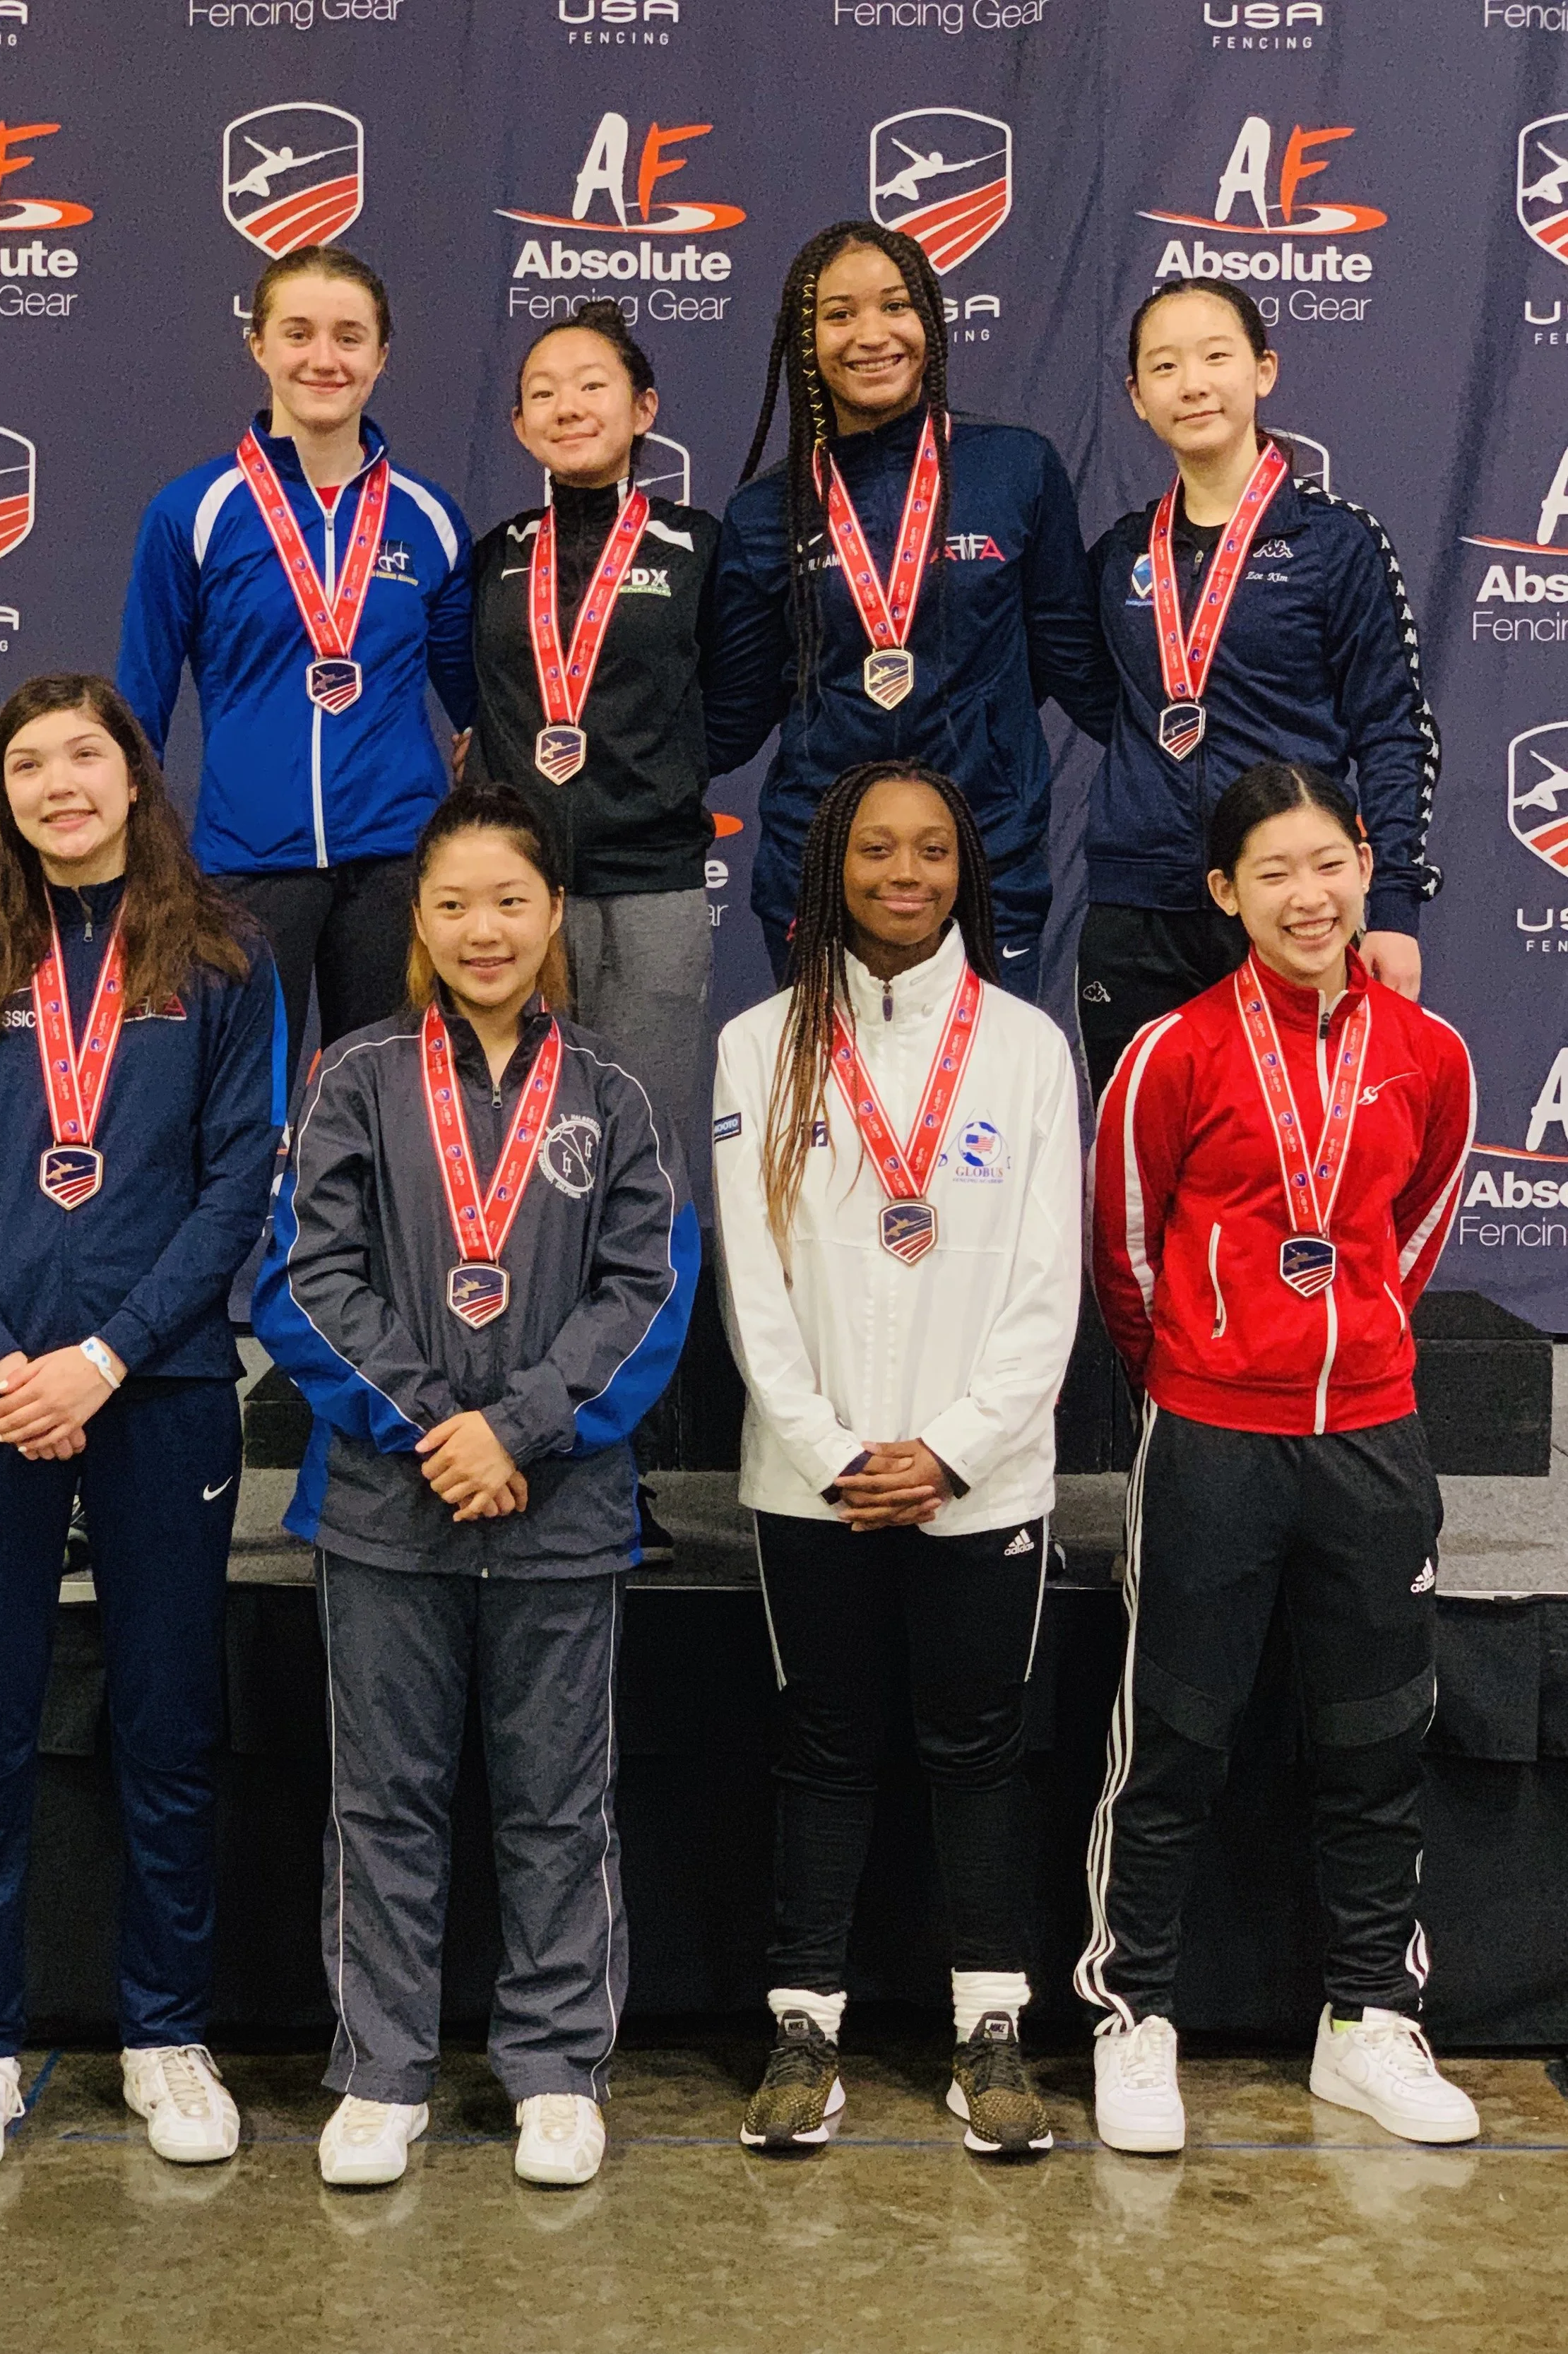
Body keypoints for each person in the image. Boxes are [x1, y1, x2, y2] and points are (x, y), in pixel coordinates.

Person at [0, 675, 284, 2185]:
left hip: (156, 1392)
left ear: (131, 776)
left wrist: (104, 1357)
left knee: (167, 1722)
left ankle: (165, 2030)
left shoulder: (224, 959)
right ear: (3, 792)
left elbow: (237, 1185)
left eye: (83, 755)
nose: (58, 783)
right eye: (28, 763)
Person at [252, 783, 698, 2192]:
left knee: (558, 1799)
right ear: (418, 921)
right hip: (389, 1506)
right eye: (452, 903)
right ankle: (381, 2068)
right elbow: (302, 1281)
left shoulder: (614, 1092)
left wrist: (516, 1430)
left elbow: (650, 1287)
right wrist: (436, 1425)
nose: (482, 928)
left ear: (554, 911)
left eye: (510, 898)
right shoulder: (354, 1080)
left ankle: (556, 2063)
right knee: (383, 1796)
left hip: (558, 1507)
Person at [1080, 761, 1478, 2154]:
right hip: (1208, 1438)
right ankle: (1133, 2010)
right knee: (1173, 1736)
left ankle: (1366, 2016)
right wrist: (1200, 1369)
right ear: (1223, 894)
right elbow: (1123, 1256)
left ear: (1363, 862)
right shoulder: (1170, 1055)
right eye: (1271, 873)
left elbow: (1414, 1231)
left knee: (1375, 1736)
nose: (1306, 897)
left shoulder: (1428, 1054)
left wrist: (1350, 1349)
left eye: (1326, 864)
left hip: (1370, 1437)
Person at [713, 759, 1081, 2157]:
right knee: (822, 1744)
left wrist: (948, 1451)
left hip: (979, 1479)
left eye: (931, 848)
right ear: (830, 867)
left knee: (977, 1749)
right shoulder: (761, 1044)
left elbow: (1046, 1288)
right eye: (874, 849)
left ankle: (988, 2030)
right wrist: (827, 1447)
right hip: (809, 1477)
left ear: (964, 872)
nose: (903, 872)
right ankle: (803, 2021)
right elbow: (750, 1279)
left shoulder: (1026, 1047)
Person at [706, 221, 1115, 999]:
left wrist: (1206, 756)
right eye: (837, 314)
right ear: (804, 339)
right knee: (828, 1120)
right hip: (819, 867)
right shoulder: (767, 511)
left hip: (987, 857)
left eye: (895, 306)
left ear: (930, 318)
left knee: (986, 1115)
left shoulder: (1016, 468)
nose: (870, 335)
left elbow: (1074, 661)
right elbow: (732, 716)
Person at [117, 244, 473, 1093]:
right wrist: (134, 864)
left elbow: (480, 703)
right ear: (258, 346)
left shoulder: (428, 518)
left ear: (382, 357)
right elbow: (140, 706)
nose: (325, 359)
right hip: (246, 860)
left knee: (391, 1107)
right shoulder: (193, 511)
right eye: (299, 333)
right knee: (240, 1104)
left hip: (395, 863)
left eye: (350, 337)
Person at [1081, 279, 1437, 1095]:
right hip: (1141, 915)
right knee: (1142, 1171)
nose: (1193, 383)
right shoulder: (1118, 556)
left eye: (1216, 356)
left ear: (1263, 371)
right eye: (1164, 366)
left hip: (1293, 907)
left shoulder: (1336, 542)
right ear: (1138, 398)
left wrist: (1392, 910)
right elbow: (1102, 695)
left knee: (1304, 1170)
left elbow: (1392, 731)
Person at [467, 299, 719, 1172]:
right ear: (519, 424)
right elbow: (469, 692)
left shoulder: (697, 547)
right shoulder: (495, 554)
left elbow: (734, 700)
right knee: (513, 1138)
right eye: (542, 393)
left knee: (644, 1137)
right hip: (515, 889)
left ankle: (655, 1308)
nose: (566, 406)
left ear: (642, 409)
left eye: (590, 385)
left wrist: (663, 775)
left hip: (654, 884)